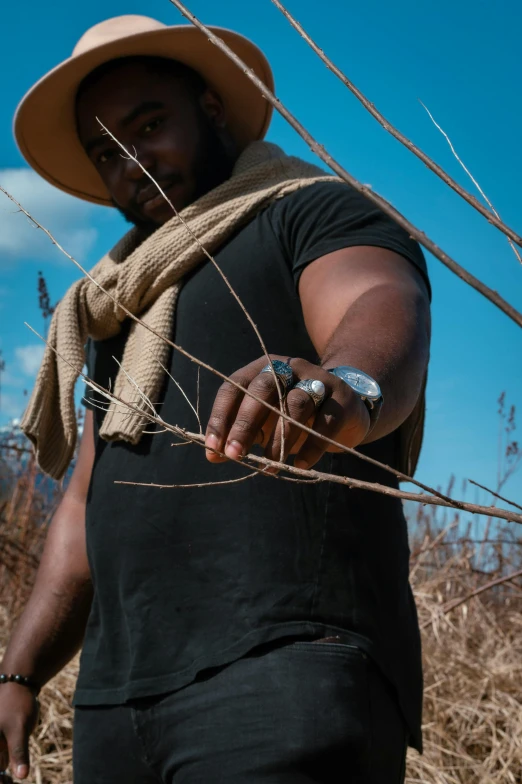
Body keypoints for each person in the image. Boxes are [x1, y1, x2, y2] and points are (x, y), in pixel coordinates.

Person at [0, 14, 431, 784]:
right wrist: (20, 674)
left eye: (150, 124)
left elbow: (377, 299)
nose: (133, 161)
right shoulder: (118, 305)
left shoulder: (306, 208)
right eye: (107, 152)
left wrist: (342, 389)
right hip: (116, 708)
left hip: (285, 668)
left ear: (210, 107)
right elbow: (84, 501)